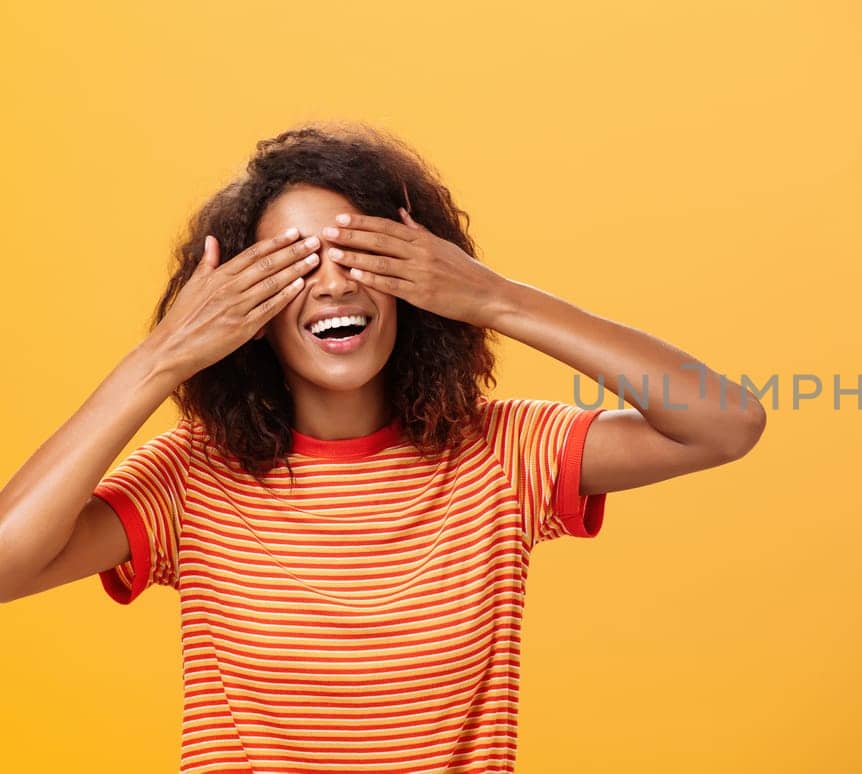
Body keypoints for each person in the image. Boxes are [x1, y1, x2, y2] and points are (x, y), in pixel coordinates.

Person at [0, 123, 766, 772]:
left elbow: (724, 423)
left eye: (359, 254)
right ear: (247, 313)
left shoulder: (503, 454)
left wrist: (494, 297)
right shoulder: (189, 480)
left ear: (415, 281)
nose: (333, 285)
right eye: (294, 265)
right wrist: (163, 356)